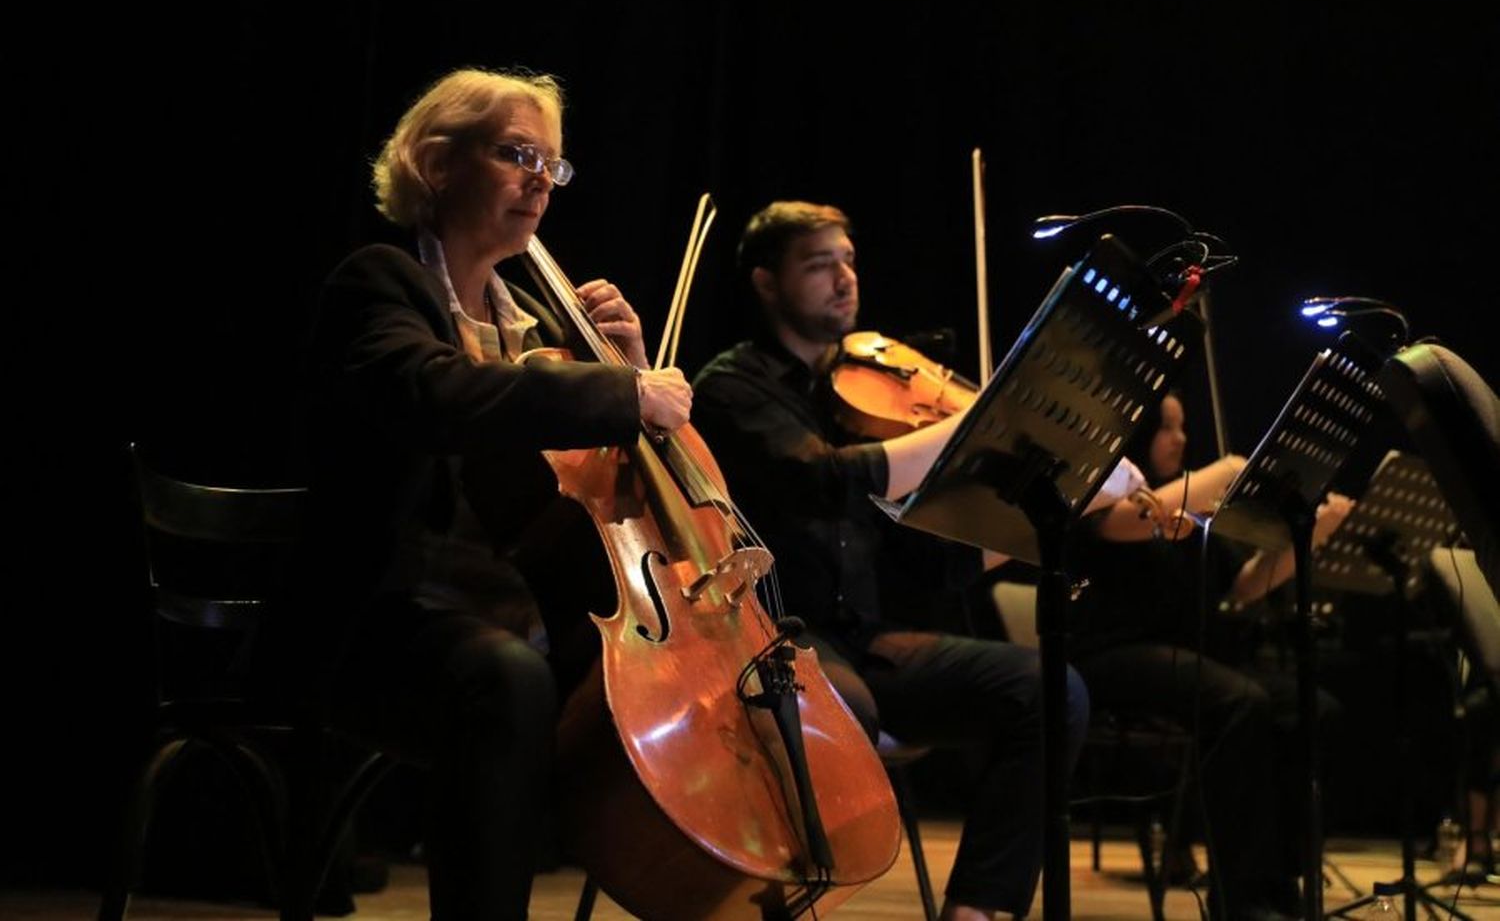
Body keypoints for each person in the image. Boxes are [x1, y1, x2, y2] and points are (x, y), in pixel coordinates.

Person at [303, 67, 693, 919]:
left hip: (512, 615)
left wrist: (620, 365)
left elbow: (604, 495)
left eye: (552, 167)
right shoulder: (382, 282)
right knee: (508, 682)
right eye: (518, 155)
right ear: (437, 163)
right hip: (374, 626)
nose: (539, 183)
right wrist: (621, 395)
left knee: (679, 691)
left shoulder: (537, 327)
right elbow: (433, 393)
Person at [692, 200, 1094, 921]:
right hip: (768, 636)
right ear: (766, 282)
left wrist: (1036, 524)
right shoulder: (733, 387)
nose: (844, 279)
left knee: (1047, 688)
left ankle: (977, 910)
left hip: (861, 639)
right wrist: (969, 426)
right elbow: (823, 478)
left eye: (848, 262)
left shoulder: (858, 391)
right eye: (819, 265)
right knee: (845, 707)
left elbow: (927, 568)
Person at [1068, 391, 1351, 921]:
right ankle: (1239, 900)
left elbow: (1244, 586)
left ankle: (1282, 882)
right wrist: (1226, 471)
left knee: (1313, 707)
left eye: (1182, 425)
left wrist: (1306, 539)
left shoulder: (1192, 503)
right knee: (1239, 702)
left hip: (1182, 656)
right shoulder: (1106, 489)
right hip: (1110, 654)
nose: (1181, 438)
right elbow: (1122, 524)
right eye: (1167, 427)